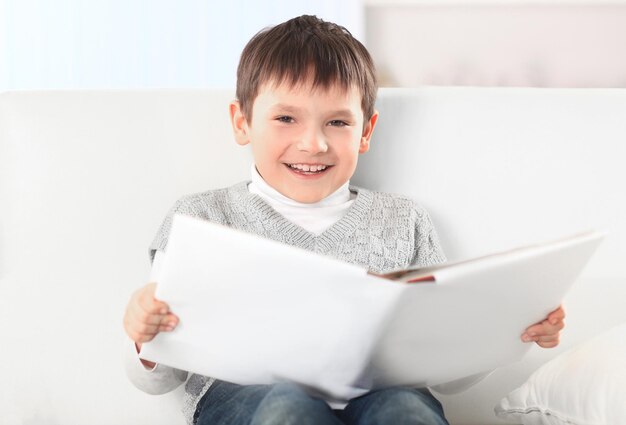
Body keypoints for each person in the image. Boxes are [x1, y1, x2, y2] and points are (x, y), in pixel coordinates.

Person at [123, 15, 565, 425]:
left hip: (382, 393)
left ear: (366, 131)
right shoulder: (201, 218)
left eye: (337, 122)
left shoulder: (402, 221)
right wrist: (145, 341)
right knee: (288, 406)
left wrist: (507, 331)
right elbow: (158, 378)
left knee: (405, 410)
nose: (313, 143)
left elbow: (444, 371)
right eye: (285, 119)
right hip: (244, 399)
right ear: (242, 121)